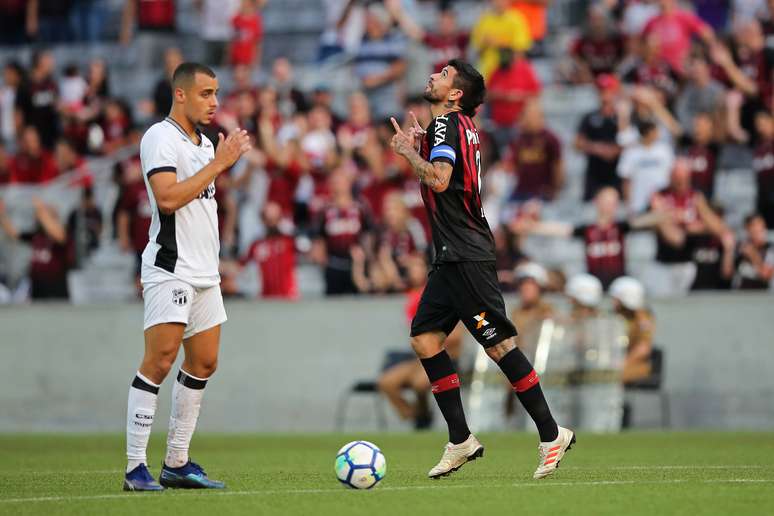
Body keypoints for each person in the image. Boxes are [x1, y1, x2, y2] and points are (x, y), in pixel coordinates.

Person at [389, 59, 574, 480]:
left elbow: (439, 180)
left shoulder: (445, 125)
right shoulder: (462, 127)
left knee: (499, 346)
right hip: (452, 254)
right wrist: (421, 148)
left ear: (455, 94)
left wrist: (407, 153)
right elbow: (449, 180)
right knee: (425, 338)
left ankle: (552, 434)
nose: (434, 75)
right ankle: (461, 439)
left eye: (444, 74)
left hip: (466, 253)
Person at [123, 62, 252, 491]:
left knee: (204, 362)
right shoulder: (159, 137)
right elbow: (166, 199)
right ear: (180, 94)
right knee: (160, 360)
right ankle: (134, 467)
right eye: (205, 93)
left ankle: (176, 461)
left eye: (216, 93)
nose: (214, 102)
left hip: (205, 272)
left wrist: (217, 163)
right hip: (171, 267)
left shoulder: (203, 143)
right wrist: (220, 164)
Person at [513, 187, 666, 289]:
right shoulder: (588, 230)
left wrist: (659, 210)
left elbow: (644, 221)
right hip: (594, 283)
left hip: (618, 282)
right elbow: (561, 230)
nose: (611, 206)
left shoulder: (620, 227)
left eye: (614, 202)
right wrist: (532, 227)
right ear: (597, 202)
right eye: (607, 201)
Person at [377, 255, 463, 429]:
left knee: (420, 384)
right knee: (386, 382)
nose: (414, 271)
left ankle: (423, 418)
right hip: (419, 357)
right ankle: (416, 416)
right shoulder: (411, 297)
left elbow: (456, 336)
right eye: (411, 267)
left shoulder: (441, 294)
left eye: (417, 266)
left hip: (442, 357)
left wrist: (431, 338)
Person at [609, 276, 654, 384]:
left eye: (616, 299)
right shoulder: (613, 316)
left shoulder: (642, 318)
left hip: (633, 364)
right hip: (612, 361)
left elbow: (643, 348)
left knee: (609, 377)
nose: (613, 302)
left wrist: (622, 364)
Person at [732, 213, 774, 289]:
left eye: (761, 226)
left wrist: (753, 255)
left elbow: (766, 275)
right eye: (754, 226)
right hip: (740, 293)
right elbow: (727, 274)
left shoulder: (770, 248)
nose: (758, 229)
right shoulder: (739, 247)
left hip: (761, 293)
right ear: (747, 229)